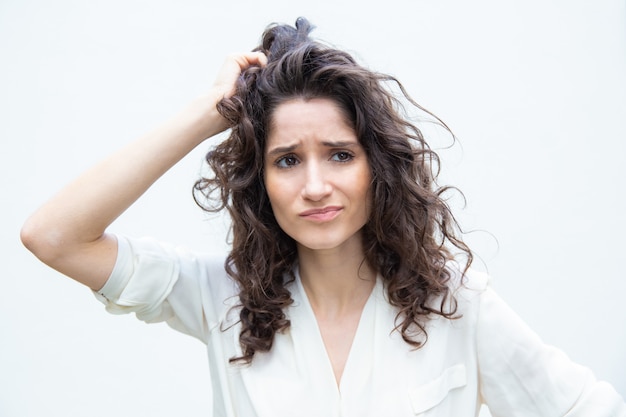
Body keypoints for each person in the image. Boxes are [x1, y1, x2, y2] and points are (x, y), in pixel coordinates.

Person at [20, 17, 625, 417]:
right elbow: (53, 236)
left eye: (340, 154)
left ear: (376, 167)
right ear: (262, 182)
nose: (315, 186)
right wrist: (209, 112)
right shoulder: (219, 296)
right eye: (286, 160)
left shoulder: (456, 303)